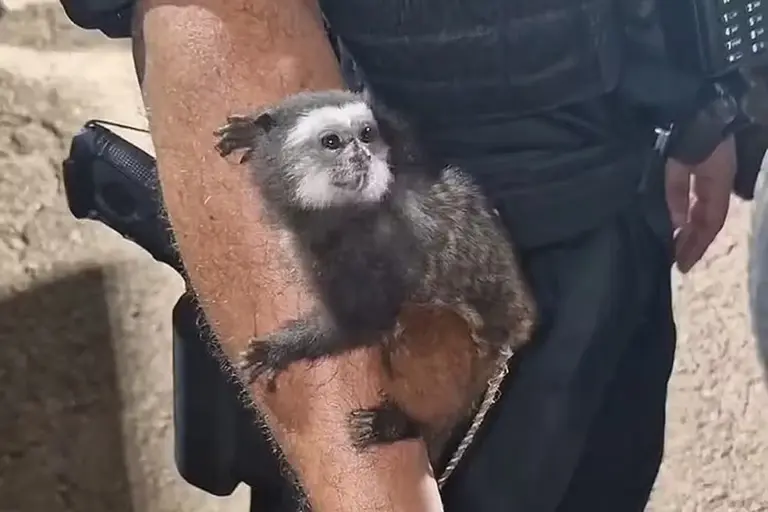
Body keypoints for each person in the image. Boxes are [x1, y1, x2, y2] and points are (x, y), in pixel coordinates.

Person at [58, 0, 754, 510]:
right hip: (428, 283)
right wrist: (369, 488)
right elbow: (222, 26)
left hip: (621, 201)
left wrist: (705, 92)